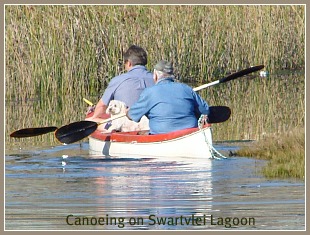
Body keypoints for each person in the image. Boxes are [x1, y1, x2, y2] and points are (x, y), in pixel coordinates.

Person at [127, 60, 210, 134]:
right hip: (190, 133)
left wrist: (126, 112)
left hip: (161, 135)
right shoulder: (186, 89)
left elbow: (132, 116)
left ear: (155, 75)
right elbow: (205, 110)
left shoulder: (149, 92)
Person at [86, 45, 154, 123]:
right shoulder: (157, 80)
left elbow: (102, 106)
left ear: (129, 63)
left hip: (126, 125)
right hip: (151, 124)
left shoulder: (118, 80)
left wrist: (93, 116)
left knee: (91, 120)